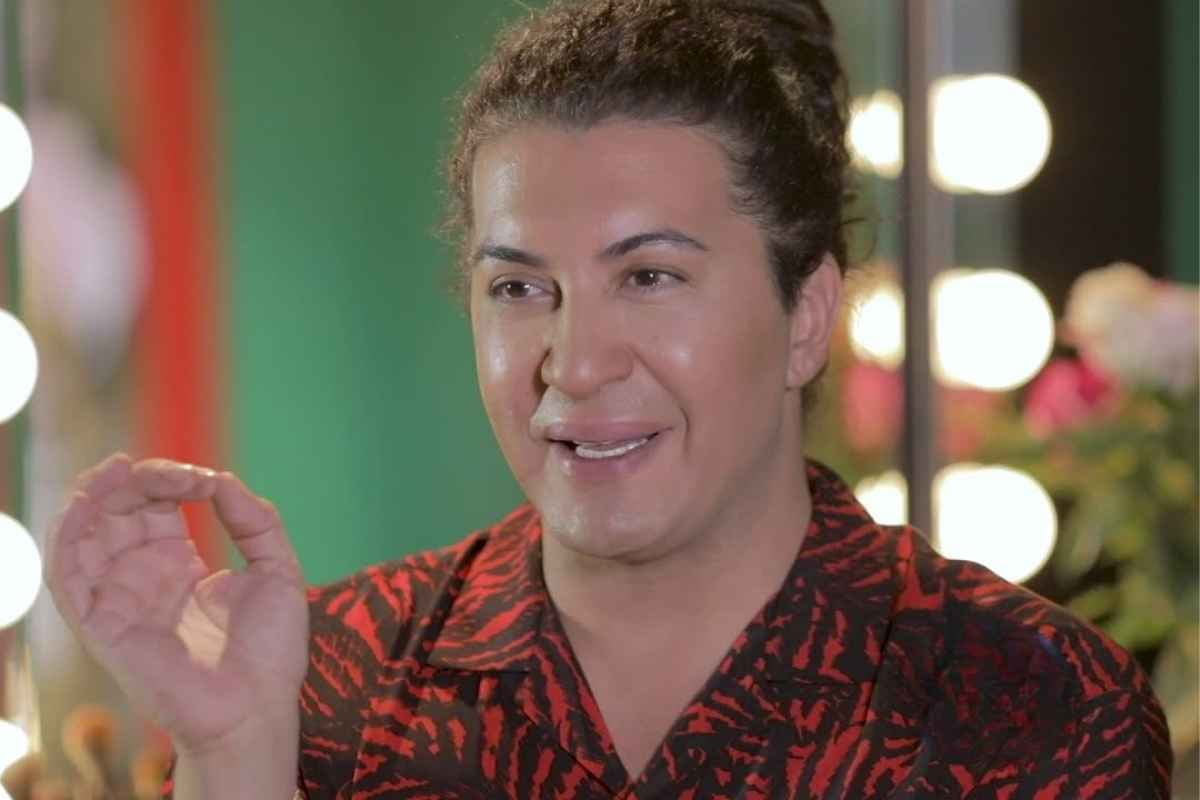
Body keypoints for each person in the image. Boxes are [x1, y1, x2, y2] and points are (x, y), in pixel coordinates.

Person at [43, 0, 1172, 798]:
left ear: (807, 313)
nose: (574, 364)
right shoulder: (325, 685)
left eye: (650, 277)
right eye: (520, 288)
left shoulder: (1031, 702)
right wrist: (235, 754)